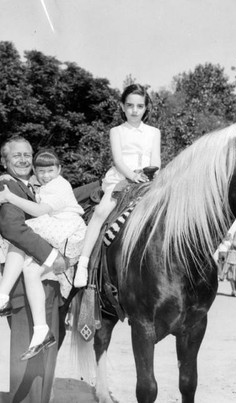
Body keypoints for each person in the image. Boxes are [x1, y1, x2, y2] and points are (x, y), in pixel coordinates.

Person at [0, 135, 61, 403]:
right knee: (27, 358)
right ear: (4, 161)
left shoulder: (30, 187)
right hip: (25, 282)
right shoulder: (6, 185)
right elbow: (13, 228)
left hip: (42, 280)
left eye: (27, 155)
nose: (23, 159)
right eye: (16, 155)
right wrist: (52, 255)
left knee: (44, 356)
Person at [0, 149, 86, 359]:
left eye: (50, 170)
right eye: (40, 171)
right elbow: (26, 179)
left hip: (68, 229)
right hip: (59, 228)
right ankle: (42, 331)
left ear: (59, 169)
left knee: (21, 234)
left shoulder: (59, 185)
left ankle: (1, 296)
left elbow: (38, 211)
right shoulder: (45, 182)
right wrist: (6, 175)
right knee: (30, 271)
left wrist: (9, 196)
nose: (45, 175)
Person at [74, 83, 161, 287]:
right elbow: (118, 160)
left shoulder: (154, 132)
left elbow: (156, 159)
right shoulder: (117, 131)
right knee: (102, 211)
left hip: (148, 177)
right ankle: (83, 263)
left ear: (146, 108)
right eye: (130, 105)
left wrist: (149, 173)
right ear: (122, 106)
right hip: (122, 176)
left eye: (139, 106)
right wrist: (132, 175)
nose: (134, 110)